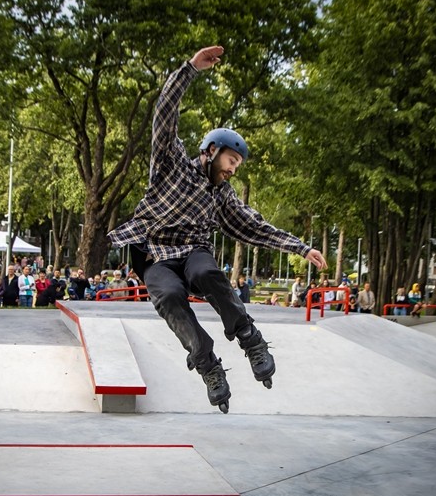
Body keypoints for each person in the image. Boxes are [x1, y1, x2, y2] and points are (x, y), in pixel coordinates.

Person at [107, 45, 327, 413]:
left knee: (208, 271)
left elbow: (255, 226)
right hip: (157, 254)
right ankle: (207, 363)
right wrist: (190, 69)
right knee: (168, 296)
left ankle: (248, 336)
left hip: (194, 252)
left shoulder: (222, 195)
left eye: (238, 164)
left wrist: (300, 248)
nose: (233, 169)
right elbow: (164, 114)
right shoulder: (170, 162)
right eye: (231, 160)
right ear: (211, 150)